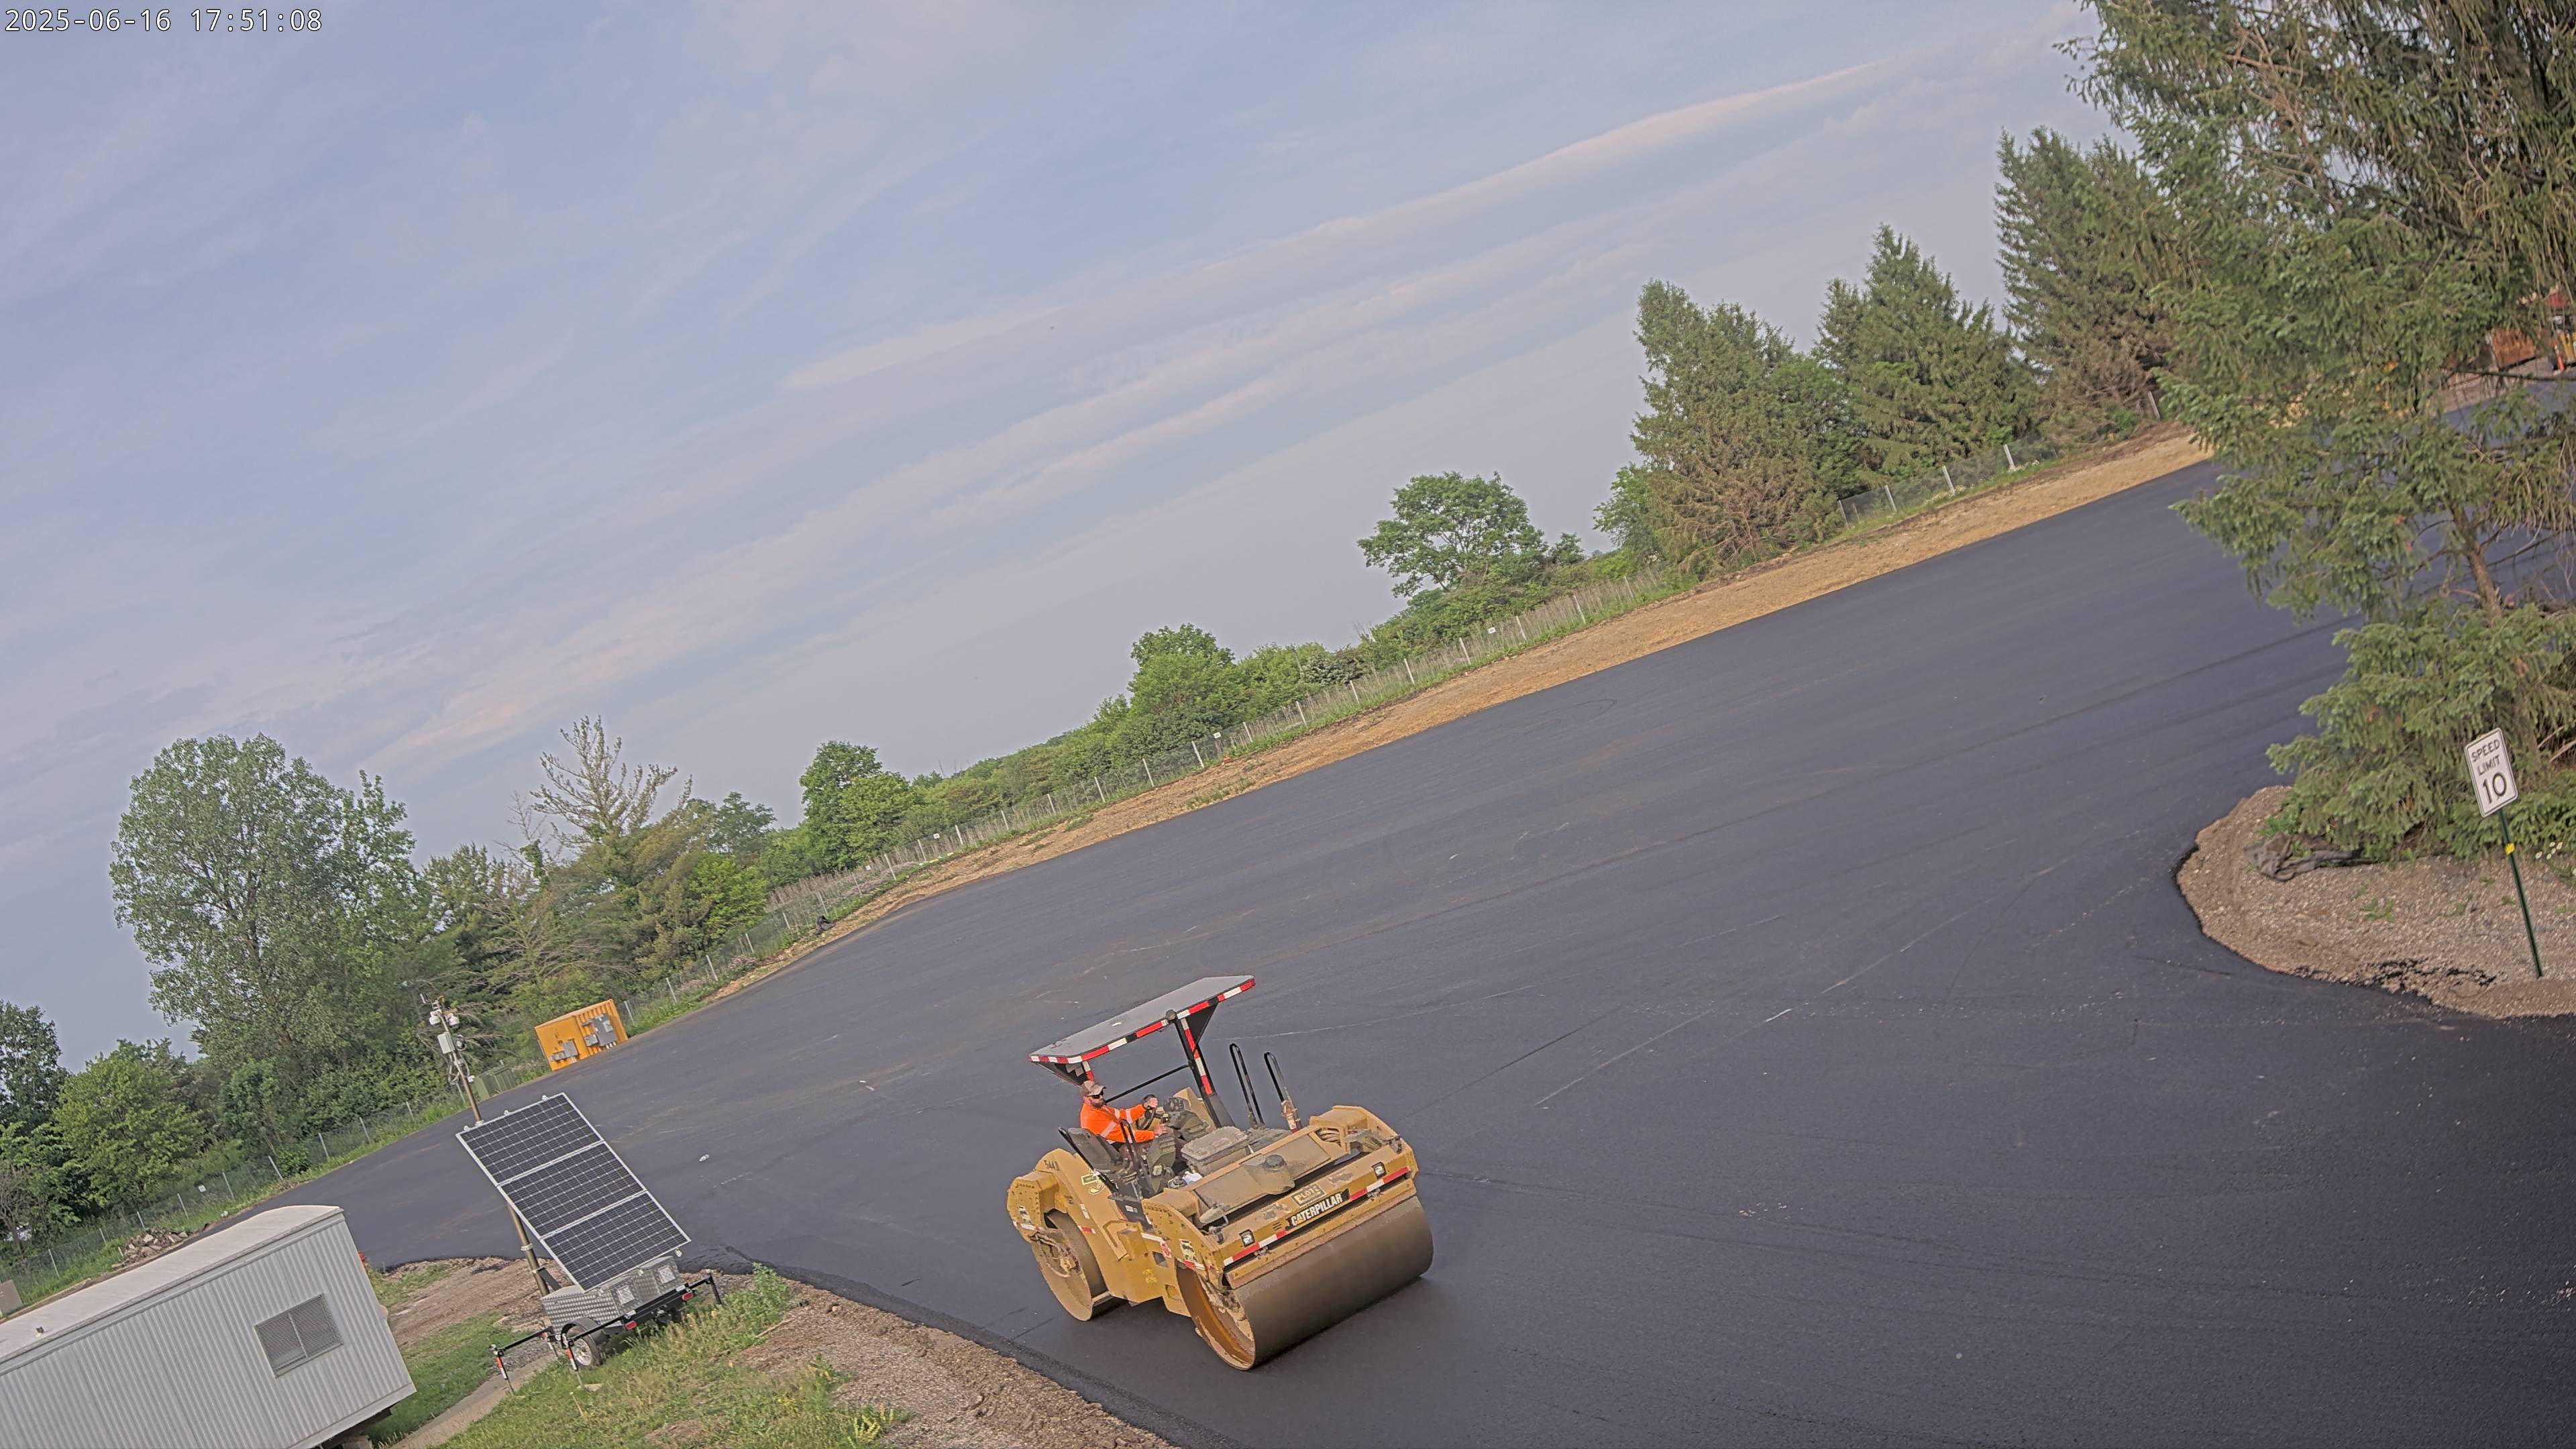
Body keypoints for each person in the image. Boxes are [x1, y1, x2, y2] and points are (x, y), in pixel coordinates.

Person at [1079, 1075, 1159, 1144]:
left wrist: (1144, 1107)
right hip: (1118, 1147)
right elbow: (1128, 1136)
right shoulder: (1093, 1118)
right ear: (1086, 1099)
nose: (1101, 1097)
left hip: (1120, 1138)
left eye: (1101, 1093)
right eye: (1096, 1096)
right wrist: (1154, 1134)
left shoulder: (1099, 1107)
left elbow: (1124, 1116)